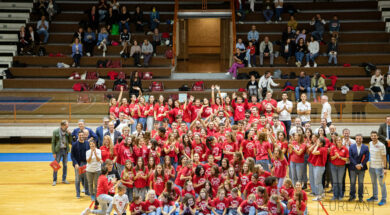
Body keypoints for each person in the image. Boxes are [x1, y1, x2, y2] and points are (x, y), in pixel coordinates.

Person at [367, 131, 387, 206]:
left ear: (377, 136)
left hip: (379, 168)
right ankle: (375, 197)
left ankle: (384, 199)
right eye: (372, 136)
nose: (373, 137)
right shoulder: (370, 143)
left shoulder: (381, 145)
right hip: (371, 167)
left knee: (382, 184)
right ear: (370, 137)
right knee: (374, 183)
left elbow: (384, 157)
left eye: (375, 136)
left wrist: (384, 168)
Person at [349, 134, 369, 202]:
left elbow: (366, 157)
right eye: (357, 138)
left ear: (362, 139)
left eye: (360, 138)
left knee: (361, 183)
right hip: (353, 167)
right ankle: (352, 196)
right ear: (355, 139)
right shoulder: (351, 146)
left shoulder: (366, 147)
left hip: (362, 168)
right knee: (352, 183)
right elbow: (350, 157)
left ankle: (360, 197)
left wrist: (361, 165)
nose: (358, 140)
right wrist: (356, 165)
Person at [51, 120, 72, 186]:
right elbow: (53, 142)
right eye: (66, 125)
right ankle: (54, 180)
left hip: (65, 150)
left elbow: (70, 141)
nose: (67, 126)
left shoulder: (67, 131)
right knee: (56, 165)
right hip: (58, 150)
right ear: (63, 125)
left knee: (65, 165)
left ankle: (64, 179)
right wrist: (53, 152)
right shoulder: (56, 131)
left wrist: (70, 135)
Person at [71, 132, 90, 198]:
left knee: (86, 178)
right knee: (77, 179)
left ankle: (87, 192)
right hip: (78, 164)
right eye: (80, 135)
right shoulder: (75, 144)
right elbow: (72, 156)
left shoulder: (87, 143)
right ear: (78, 136)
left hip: (86, 163)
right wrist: (75, 163)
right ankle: (78, 194)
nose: (81, 136)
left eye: (82, 135)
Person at [329, 136, 349, 200]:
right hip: (333, 166)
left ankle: (340, 195)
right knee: (335, 181)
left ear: (341, 141)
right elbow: (331, 158)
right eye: (337, 140)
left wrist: (339, 157)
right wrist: (336, 156)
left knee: (340, 181)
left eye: (339, 140)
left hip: (341, 167)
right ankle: (335, 195)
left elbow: (347, 159)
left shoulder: (345, 149)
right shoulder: (333, 148)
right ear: (336, 141)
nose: (338, 141)